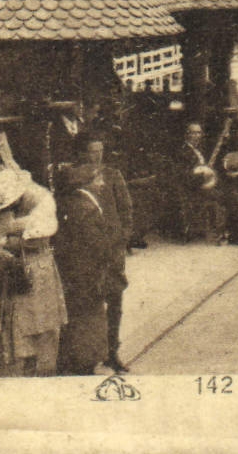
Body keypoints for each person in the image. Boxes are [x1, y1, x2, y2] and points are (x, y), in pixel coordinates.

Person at [0, 168, 67, 376]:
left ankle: (44, 368)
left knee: (42, 322)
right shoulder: (2, 205)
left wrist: (7, 242)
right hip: (14, 273)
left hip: (38, 269)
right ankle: (22, 366)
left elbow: (38, 240)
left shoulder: (41, 200)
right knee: (18, 323)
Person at [53, 164, 121, 375]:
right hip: (89, 272)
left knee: (76, 314)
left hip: (75, 271)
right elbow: (96, 244)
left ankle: (74, 359)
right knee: (90, 315)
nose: (102, 183)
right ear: (87, 184)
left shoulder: (70, 202)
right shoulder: (86, 207)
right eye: (98, 179)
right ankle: (86, 362)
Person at [80, 135, 133, 371]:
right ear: (85, 153)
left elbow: (126, 209)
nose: (97, 155)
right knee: (91, 303)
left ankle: (112, 352)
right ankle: (91, 353)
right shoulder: (78, 177)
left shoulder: (113, 175)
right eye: (93, 151)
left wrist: (122, 238)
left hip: (112, 250)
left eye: (100, 151)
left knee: (115, 300)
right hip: (90, 251)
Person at [176, 122, 225, 242]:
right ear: (187, 134)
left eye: (199, 133)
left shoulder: (197, 150)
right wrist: (203, 175)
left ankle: (218, 229)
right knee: (221, 196)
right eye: (194, 133)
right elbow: (184, 175)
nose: (197, 136)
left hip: (200, 185)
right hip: (191, 189)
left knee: (224, 192)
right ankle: (217, 231)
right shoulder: (183, 151)